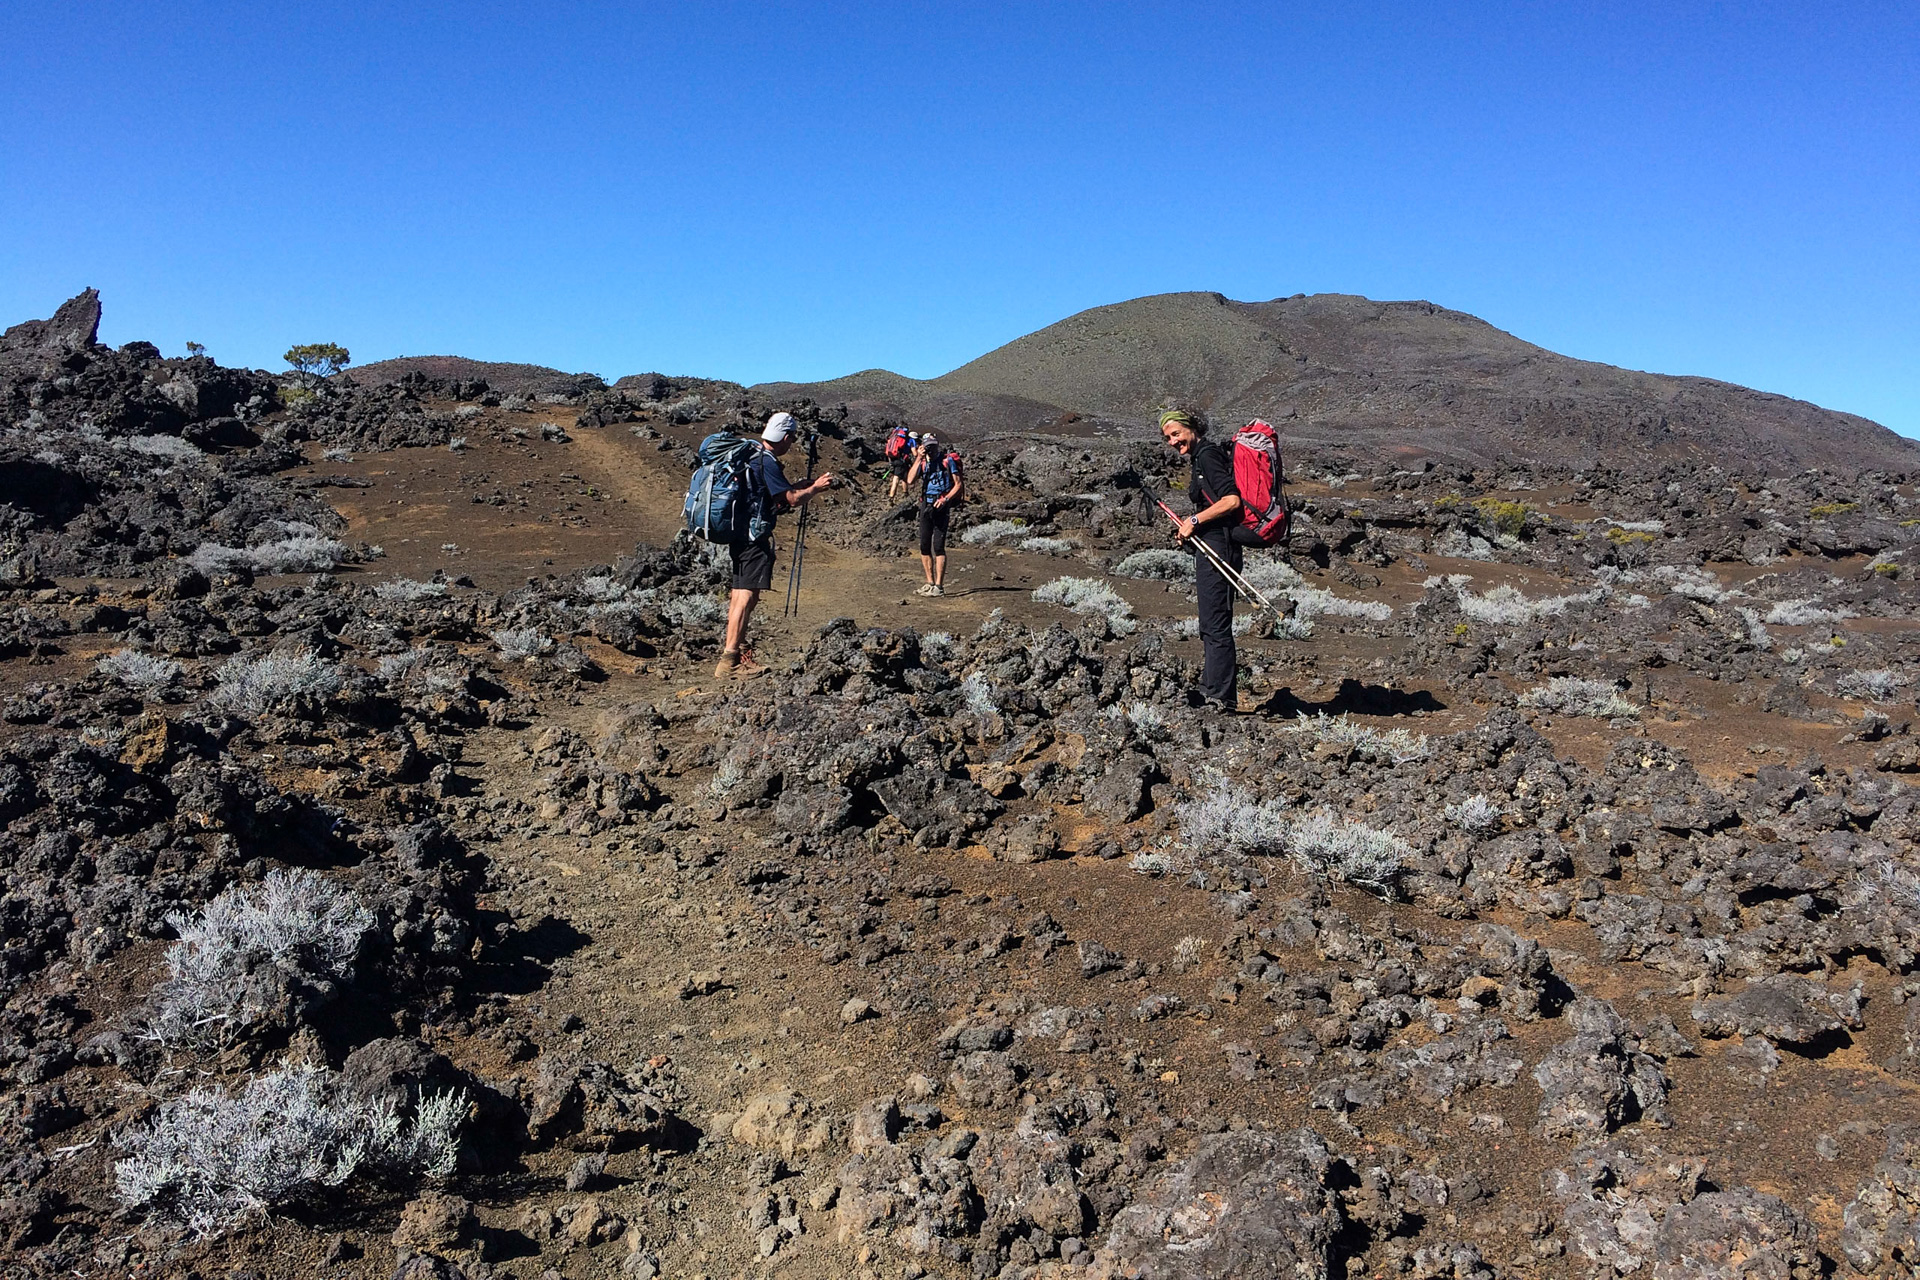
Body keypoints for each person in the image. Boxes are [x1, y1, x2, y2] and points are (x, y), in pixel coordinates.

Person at [716, 411, 833, 678]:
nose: (791, 443)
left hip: (739, 533)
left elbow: (776, 495)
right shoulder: (765, 460)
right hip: (753, 538)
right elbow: (791, 500)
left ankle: (738, 651)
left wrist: (796, 486)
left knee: (741, 593)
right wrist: (815, 488)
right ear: (784, 436)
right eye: (791, 437)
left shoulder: (751, 453)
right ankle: (729, 661)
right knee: (745, 596)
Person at [1159, 408, 1244, 709]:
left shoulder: (1207, 455)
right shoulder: (1200, 458)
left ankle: (1221, 697)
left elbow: (1231, 500)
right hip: (1211, 545)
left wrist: (1194, 522)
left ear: (1192, 427)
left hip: (1220, 548)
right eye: (1168, 437)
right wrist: (1191, 527)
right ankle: (1212, 688)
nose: (1172, 441)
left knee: (1216, 621)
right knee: (1211, 620)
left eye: (1176, 433)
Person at [906, 431, 964, 596]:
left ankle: (939, 586)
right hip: (926, 504)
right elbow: (910, 481)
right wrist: (918, 458)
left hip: (941, 505)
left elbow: (958, 484)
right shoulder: (923, 463)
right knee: (924, 545)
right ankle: (929, 582)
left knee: (938, 546)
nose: (931, 450)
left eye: (933, 446)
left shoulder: (947, 461)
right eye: (927, 447)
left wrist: (945, 499)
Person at [885, 428, 920, 502]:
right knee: (896, 478)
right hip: (901, 461)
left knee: (905, 477)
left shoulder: (898, 438)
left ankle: (905, 493)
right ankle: (891, 497)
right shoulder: (911, 440)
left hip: (894, 459)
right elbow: (915, 453)